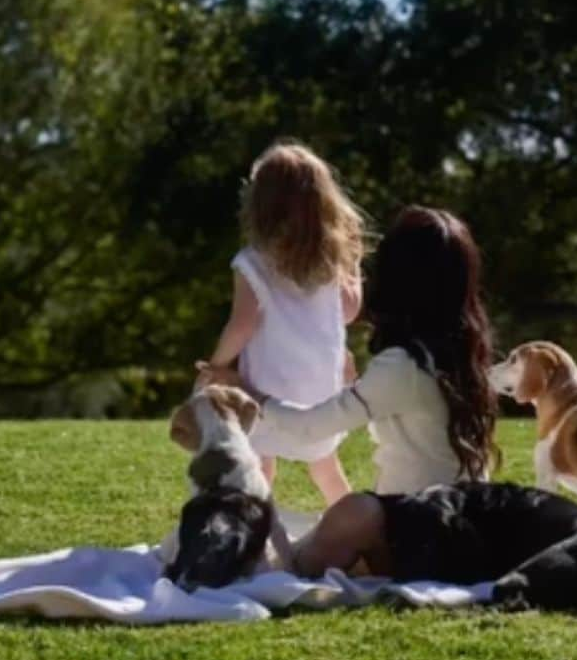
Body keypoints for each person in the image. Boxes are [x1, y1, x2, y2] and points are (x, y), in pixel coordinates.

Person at [199, 205, 500, 571]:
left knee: (346, 515)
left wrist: (248, 391)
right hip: (468, 526)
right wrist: (356, 385)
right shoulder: (467, 356)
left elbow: (311, 426)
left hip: (418, 533)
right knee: (340, 516)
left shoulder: (404, 365)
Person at [199, 141, 364, 505]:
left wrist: (217, 365)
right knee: (326, 466)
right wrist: (354, 267)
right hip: (321, 388)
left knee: (260, 465)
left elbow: (242, 324)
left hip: (267, 387)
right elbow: (349, 312)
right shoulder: (329, 262)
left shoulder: (252, 262)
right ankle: (362, 535)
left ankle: (254, 534)